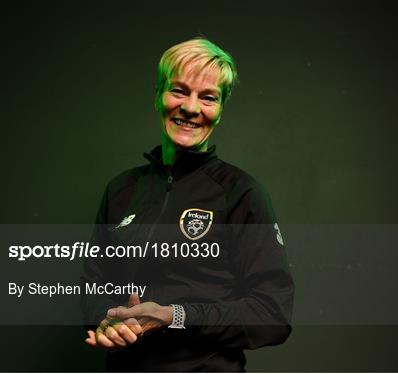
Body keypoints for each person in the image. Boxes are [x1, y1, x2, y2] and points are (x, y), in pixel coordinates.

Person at [81, 37, 294, 371]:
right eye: (179, 91)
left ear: (220, 110)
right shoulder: (121, 189)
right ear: (157, 96)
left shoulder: (241, 193)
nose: (192, 108)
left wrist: (175, 316)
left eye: (208, 97)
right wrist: (106, 324)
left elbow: (272, 314)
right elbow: (94, 287)